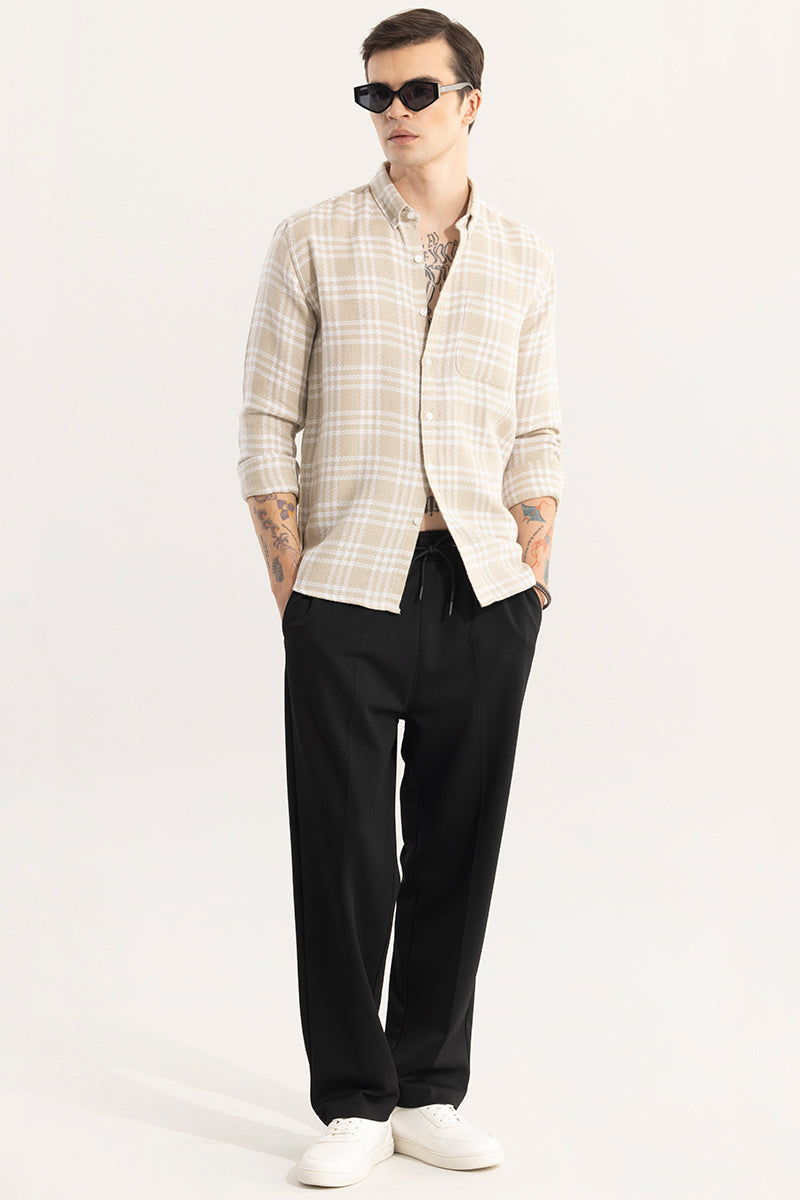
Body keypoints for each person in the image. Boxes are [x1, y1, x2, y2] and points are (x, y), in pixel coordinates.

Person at [237, 7, 565, 1188]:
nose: (392, 113)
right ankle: (352, 1099)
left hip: (483, 589)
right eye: (373, 94)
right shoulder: (310, 240)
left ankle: (427, 1088)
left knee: (454, 848)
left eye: (416, 92)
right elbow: (264, 428)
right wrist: (296, 594)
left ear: (470, 103)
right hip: (345, 586)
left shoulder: (520, 257)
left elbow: (536, 430)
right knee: (344, 855)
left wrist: (532, 576)